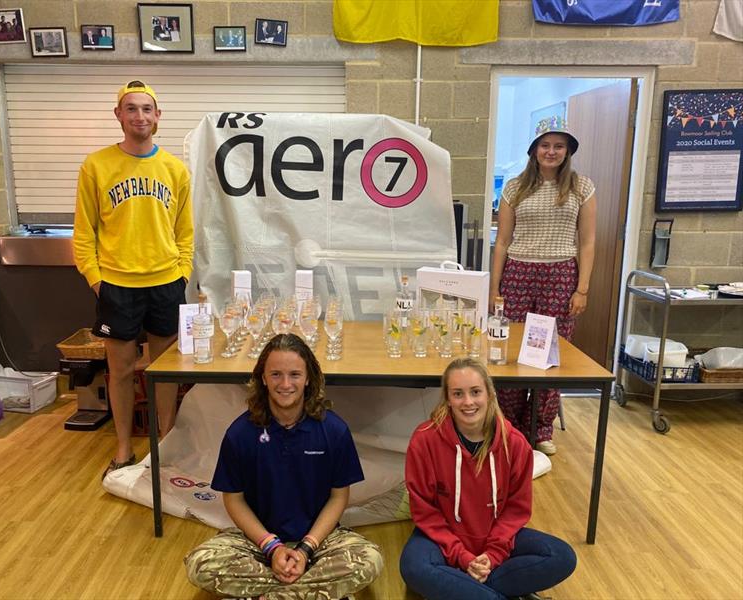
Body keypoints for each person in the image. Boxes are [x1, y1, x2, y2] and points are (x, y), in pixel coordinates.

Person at [184, 333, 383, 600]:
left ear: (309, 378)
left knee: (369, 559)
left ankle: (267, 594)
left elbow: (339, 497)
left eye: (295, 374)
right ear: (263, 378)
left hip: (317, 541)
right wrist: (273, 548)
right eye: (276, 374)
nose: (285, 384)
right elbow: (233, 500)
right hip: (258, 541)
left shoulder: (334, 430)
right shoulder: (240, 433)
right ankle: (310, 592)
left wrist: (305, 549)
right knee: (200, 564)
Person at [73, 81, 194, 479]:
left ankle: (166, 445)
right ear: (119, 116)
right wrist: (97, 280)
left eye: (147, 109)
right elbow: (83, 233)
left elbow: (186, 233)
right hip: (117, 285)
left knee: (164, 371)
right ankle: (124, 448)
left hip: (165, 282)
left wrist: (182, 275)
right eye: (131, 109)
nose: (139, 116)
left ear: (158, 116)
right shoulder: (96, 165)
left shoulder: (175, 169)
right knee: (122, 370)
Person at [400, 358, 577, 600]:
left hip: (496, 538)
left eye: (475, 392)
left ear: (490, 394)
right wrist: (462, 556)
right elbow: (425, 512)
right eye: (458, 394)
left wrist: (492, 556)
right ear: (448, 399)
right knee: (414, 567)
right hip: (443, 539)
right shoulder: (424, 440)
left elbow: (516, 510)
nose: (468, 402)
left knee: (562, 556)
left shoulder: (514, 444)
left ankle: (461, 588)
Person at [490, 117, 596, 456]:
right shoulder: (514, 188)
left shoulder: (582, 188)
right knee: (510, 352)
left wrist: (582, 289)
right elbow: (502, 242)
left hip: (561, 276)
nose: (551, 151)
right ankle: (506, 426)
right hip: (519, 273)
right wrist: (495, 290)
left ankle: (539, 429)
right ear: (534, 150)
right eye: (545, 145)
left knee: (551, 356)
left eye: (558, 146)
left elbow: (588, 242)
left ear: (567, 152)